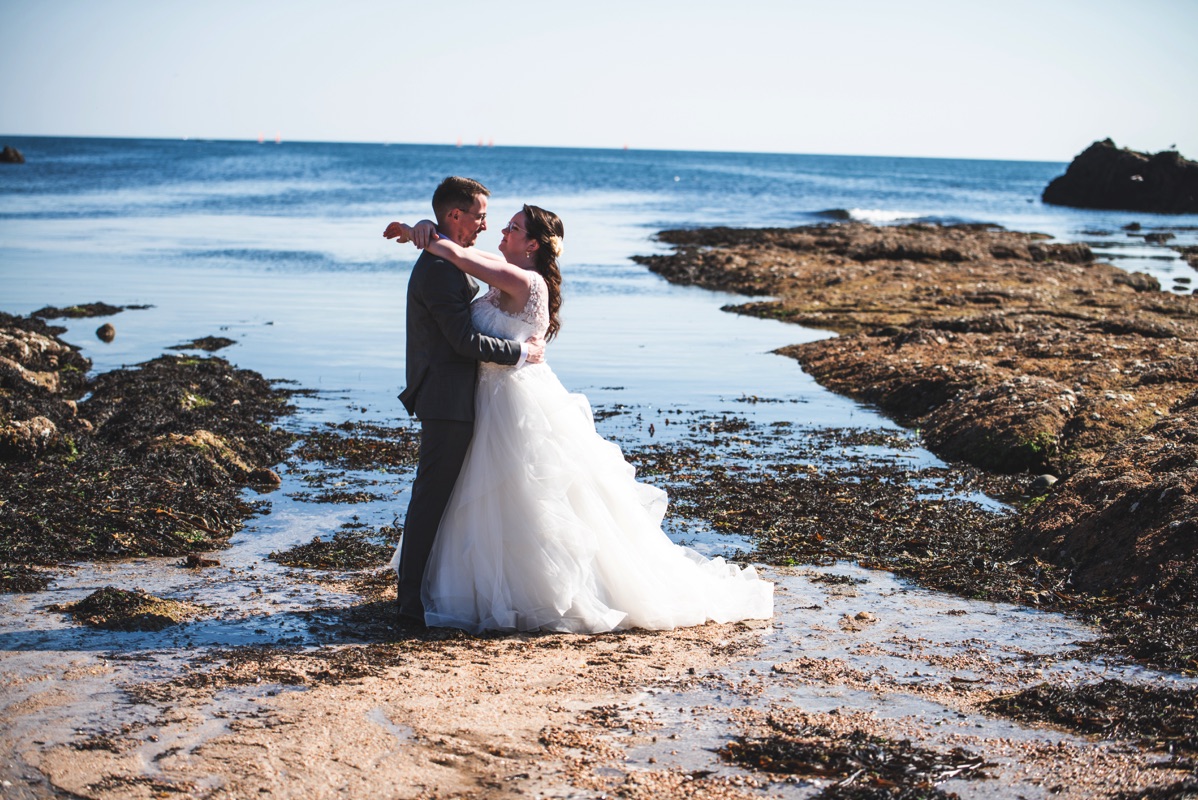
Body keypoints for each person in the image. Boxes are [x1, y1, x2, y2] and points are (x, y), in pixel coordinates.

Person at [384, 204, 773, 634]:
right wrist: (423, 228)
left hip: (513, 401)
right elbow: (457, 250)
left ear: (532, 244)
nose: (502, 230)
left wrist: (423, 232)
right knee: (488, 498)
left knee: (526, 497)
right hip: (488, 399)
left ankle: (536, 591)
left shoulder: (524, 280)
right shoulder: (504, 268)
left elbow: (457, 256)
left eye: (513, 228)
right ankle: (471, 588)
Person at [384, 176, 544, 628]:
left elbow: (457, 252)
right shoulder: (437, 270)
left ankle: (423, 592)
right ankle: (410, 603)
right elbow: (460, 340)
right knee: (431, 499)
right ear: (456, 216)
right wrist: (519, 353)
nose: (485, 226)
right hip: (446, 398)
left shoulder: (446, 259)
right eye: (479, 216)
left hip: (457, 396)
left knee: (442, 498)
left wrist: (419, 228)